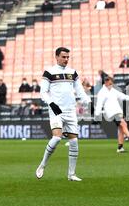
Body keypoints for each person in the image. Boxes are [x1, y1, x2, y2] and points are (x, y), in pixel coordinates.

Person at [35, 47, 91, 181]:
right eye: (63, 57)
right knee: (57, 138)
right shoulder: (49, 72)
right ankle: (42, 164)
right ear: (57, 57)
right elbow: (43, 92)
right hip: (56, 110)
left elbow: (79, 90)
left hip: (70, 110)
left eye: (68, 57)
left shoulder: (73, 72)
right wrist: (51, 104)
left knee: (74, 141)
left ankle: (71, 174)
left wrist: (88, 101)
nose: (66, 59)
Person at [94, 77, 129, 153]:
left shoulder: (113, 91)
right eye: (110, 83)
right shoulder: (102, 93)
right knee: (123, 123)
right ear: (105, 83)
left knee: (121, 129)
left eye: (112, 83)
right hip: (111, 113)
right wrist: (97, 115)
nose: (111, 85)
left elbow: (122, 96)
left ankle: (120, 147)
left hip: (117, 111)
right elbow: (99, 105)